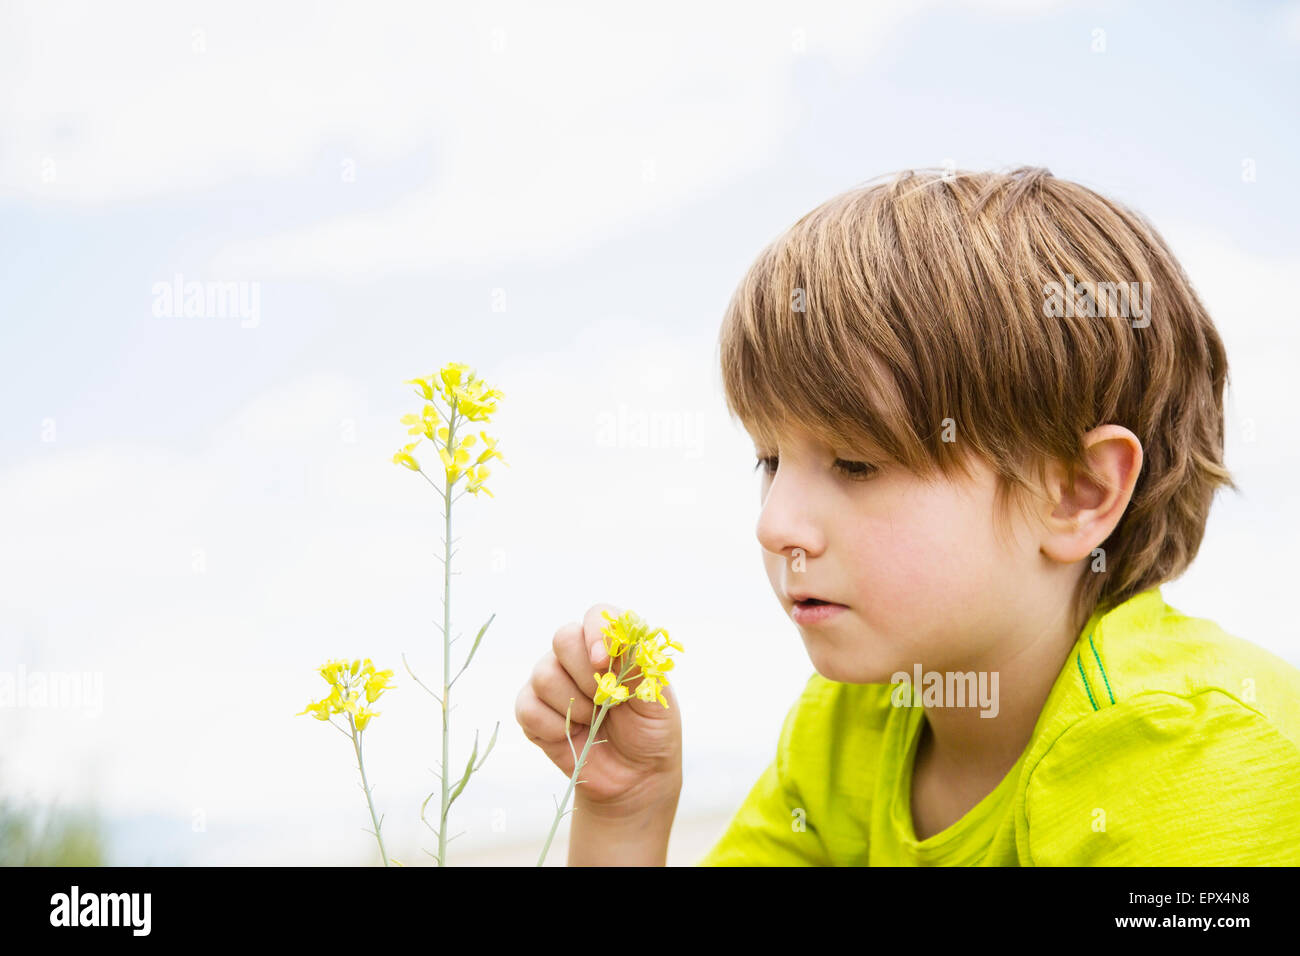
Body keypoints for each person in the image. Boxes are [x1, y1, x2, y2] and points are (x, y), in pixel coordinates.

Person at [516, 167, 1300, 865]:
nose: (774, 523)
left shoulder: (1193, 749)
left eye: (856, 463)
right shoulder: (853, 724)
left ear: (1077, 495)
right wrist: (625, 815)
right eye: (769, 462)